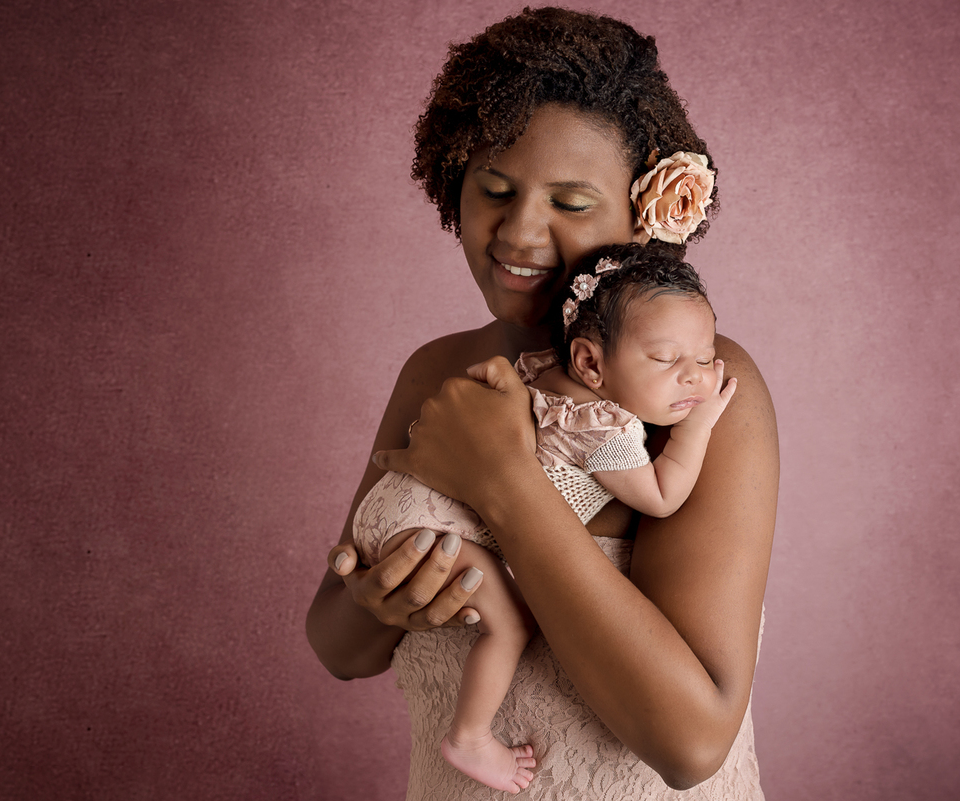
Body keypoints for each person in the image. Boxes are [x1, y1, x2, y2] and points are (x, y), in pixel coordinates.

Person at [306, 8, 778, 799]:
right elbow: (338, 648)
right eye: (494, 189)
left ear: (643, 217)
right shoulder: (435, 373)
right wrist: (376, 600)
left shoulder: (693, 389)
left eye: (571, 203)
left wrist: (503, 478)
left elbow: (690, 743)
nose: (520, 231)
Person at [352, 244, 737, 794]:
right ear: (591, 363)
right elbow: (661, 496)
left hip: (400, 507)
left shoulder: (546, 377)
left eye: (705, 360)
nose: (696, 380)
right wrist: (697, 427)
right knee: (511, 625)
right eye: (665, 360)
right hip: (430, 529)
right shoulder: (603, 427)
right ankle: (469, 736)